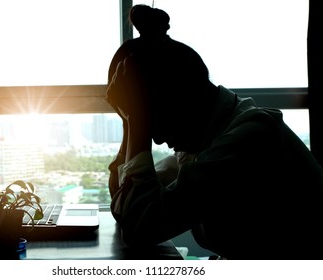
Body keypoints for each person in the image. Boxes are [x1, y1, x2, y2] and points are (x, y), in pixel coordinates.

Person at [105, 4, 323, 260]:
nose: (157, 138)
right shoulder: (204, 143)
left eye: (154, 122)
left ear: (178, 98)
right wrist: (130, 121)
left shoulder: (250, 139)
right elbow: (125, 209)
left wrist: (137, 120)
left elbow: (140, 228)